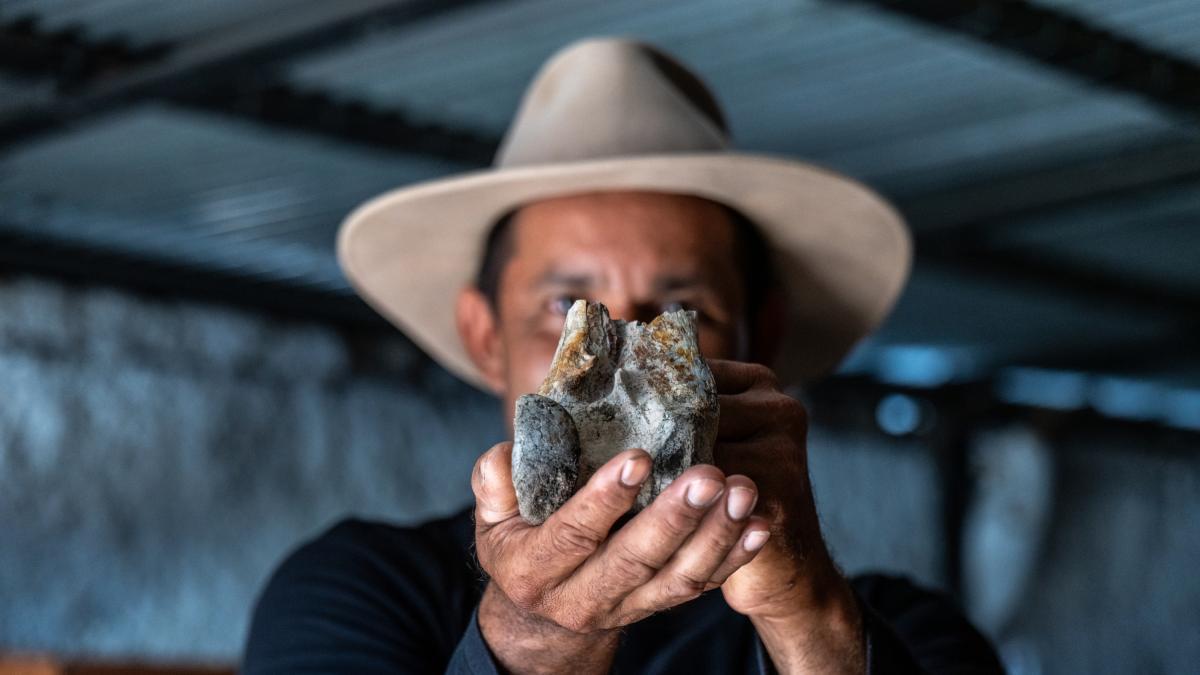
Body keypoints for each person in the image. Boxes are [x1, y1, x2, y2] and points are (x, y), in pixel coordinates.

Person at [242, 37, 1003, 674]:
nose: (624, 354)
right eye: (565, 310)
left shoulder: (905, 627)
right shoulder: (356, 590)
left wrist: (809, 619)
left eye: (685, 312)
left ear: (758, 341)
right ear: (485, 338)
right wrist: (538, 634)